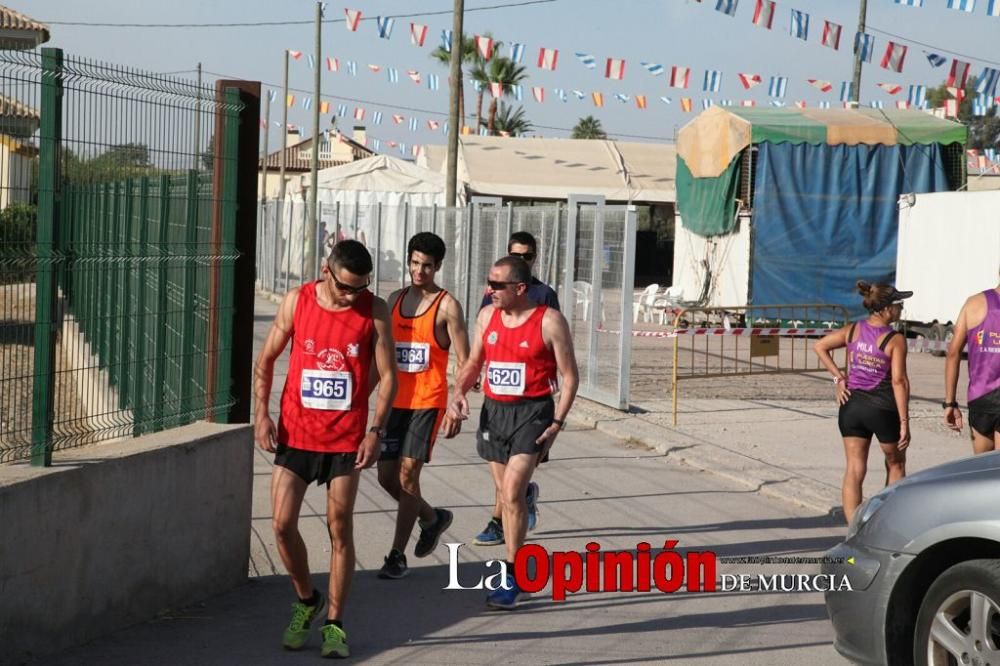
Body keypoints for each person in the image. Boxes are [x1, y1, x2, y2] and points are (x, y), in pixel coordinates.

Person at [254, 240, 397, 658]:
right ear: (325, 271)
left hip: (345, 440)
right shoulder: (297, 302)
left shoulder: (374, 310)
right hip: (296, 434)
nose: (353, 295)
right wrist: (261, 414)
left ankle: (334, 624)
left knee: (339, 528)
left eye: (360, 287)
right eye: (346, 287)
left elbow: (388, 377)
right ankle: (306, 599)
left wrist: (375, 431)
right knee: (281, 524)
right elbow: (265, 360)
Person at [449, 256, 579, 609]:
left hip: (533, 413)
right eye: (488, 282)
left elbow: (569, 377)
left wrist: (557, 424)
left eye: (496, 285)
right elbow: (474, 361)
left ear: (520, 288)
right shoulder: (487, 317)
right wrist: (458, 392)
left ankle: (514, 574)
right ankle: (524, 505)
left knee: (510, 492)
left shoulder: (549, 322)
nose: (488, 290)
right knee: (506, 496)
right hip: (495, 412)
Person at [375, 232, 470, 579]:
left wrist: (458, 401)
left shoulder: (447, 306)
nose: (419, 271)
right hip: (394, 402)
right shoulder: (393, 299)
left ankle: (396, 555)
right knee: (386, 478)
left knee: (407, 474)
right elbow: (382, 356)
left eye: (427, 266)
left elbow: (466, 359)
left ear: (438, 266)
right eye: (414, 263)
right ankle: (432, 518)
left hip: (428, 402)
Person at [474, 231, 559, 547]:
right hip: (498, 403)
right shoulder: (495, 294)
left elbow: (552, 347)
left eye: (527, 256)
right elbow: (486, 337)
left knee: (511, 483)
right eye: (515, 254)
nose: (521, 260)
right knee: (506, 482)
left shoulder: (545, 296)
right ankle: (516, 505)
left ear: (534, 258)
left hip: (532, 405)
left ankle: (500, 524)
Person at [814, 281, 912, 524]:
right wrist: (904, 422)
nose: (901, 310)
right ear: (887, 308)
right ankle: (889, 524)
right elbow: (899, 381)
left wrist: (839, 378)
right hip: (882, 407)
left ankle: (853, 529)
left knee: (855, 469)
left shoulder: (853, 329)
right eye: (899, 305)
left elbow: (820, 346)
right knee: (896, 464)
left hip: (852, 407)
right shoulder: (894, 339)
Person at [944, 276, 1000, 452]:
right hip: (983, 397)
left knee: (982, 472)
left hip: (980, 397)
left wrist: (950, 403)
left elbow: (953, 353)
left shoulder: (974, 304)